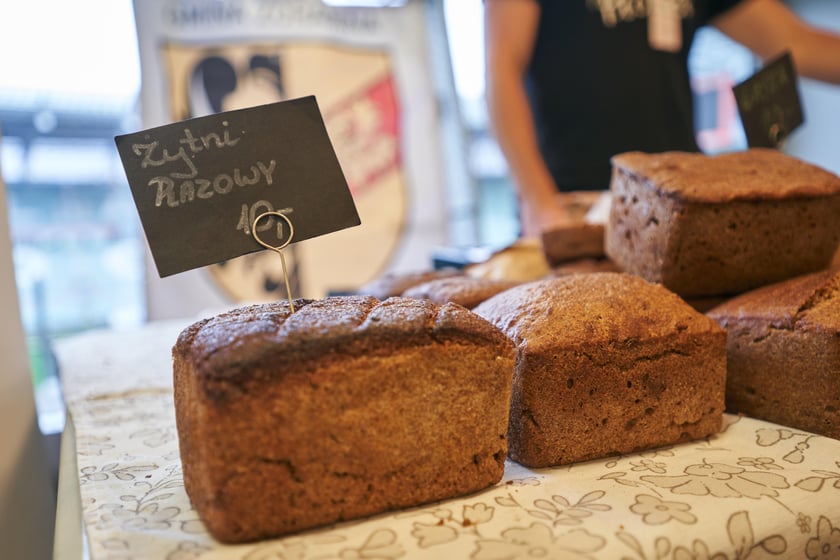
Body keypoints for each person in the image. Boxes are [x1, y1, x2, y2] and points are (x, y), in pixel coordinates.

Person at [485, 0, 840, 236]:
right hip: (577, 210)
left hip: (677, 208)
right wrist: (539, 203)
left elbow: (796, 42)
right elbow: (502, 70)